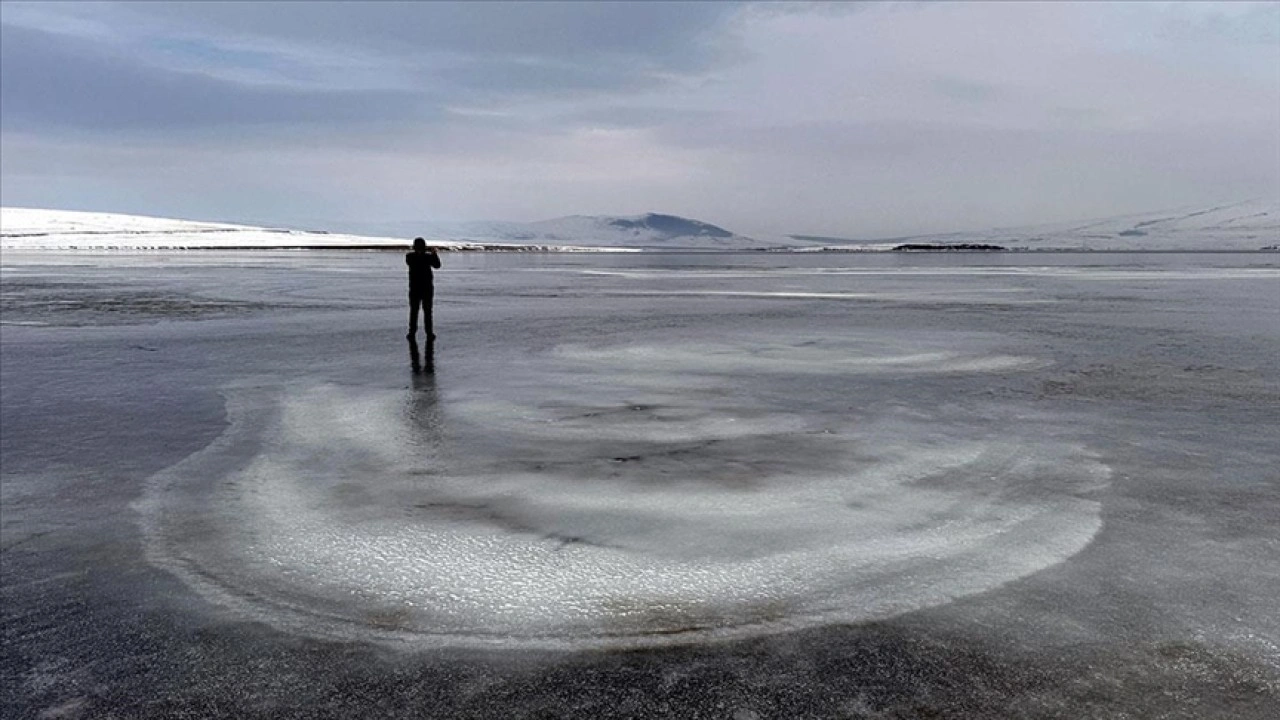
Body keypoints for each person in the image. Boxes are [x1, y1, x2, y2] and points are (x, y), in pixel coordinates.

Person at [406, 237, 441, 340]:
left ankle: (412, 332)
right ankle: (428, 333)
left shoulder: (410, 256)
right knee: (427, 312)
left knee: (414, 311)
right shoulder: (425, 257)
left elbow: (437, 265)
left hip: (415, 288)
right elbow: (437, 265)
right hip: (426, 288)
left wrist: (431, 254)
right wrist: (433, 254)